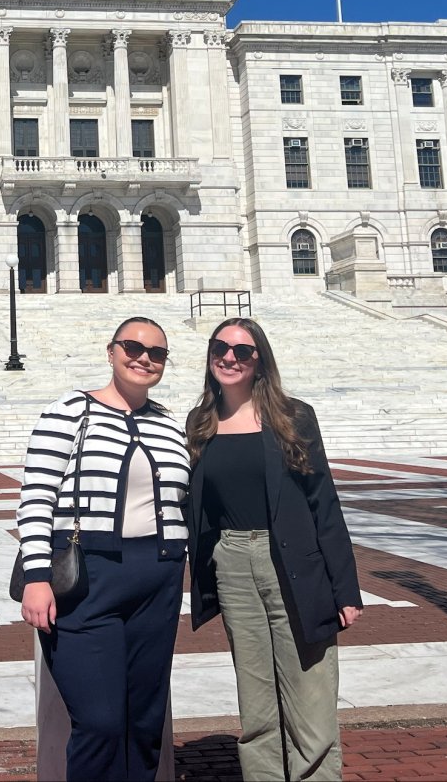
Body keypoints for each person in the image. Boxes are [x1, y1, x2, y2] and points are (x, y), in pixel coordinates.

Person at [185, 317, 362, 782]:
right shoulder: (200, 422)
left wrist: (345, 589)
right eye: (220, 348)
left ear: (260, 359)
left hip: (293, 563)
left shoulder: (293, 416)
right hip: (232, 564)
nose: (230, 357)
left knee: (310, 695)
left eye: (243, 351)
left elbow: (324, 502)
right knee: (257, 698)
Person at [17, 316, 191, 782]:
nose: (144, 358)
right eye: (132, 346)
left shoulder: (170, 424)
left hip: (158, 578)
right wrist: (36, 577)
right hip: (86, 577)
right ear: (111, 351)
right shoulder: (70, 411)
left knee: (143, 720)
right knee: (99, 720)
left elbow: (184, 500)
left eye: (156, 352)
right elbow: (37, 496)